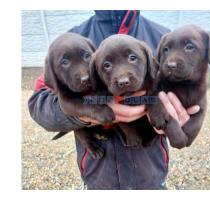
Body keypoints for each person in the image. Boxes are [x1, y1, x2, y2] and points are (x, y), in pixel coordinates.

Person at [28, 10, 200, 189]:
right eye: (107, 65)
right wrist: (85, 113)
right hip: (99, 176)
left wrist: (181, 115)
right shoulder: (74, 39)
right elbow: (38, 103)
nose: (123, 78)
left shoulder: (164, 38)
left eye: (133, 58)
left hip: (150, 173)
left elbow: (188, 89)